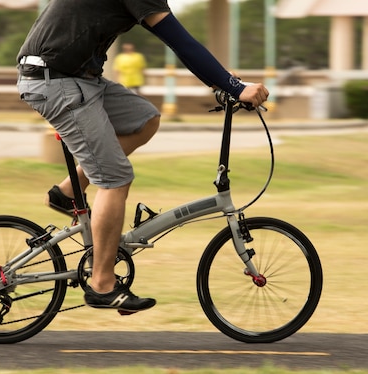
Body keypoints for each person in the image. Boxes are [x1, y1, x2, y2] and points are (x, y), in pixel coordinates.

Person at [16, 0, 269, 314]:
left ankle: (68, 192)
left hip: (79, 78)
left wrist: (222, 79)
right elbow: (180, 41)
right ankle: (102, 284)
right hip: (56, 80)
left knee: (144, 120)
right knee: (115, 179)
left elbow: (184, 43)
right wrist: (233, 85)